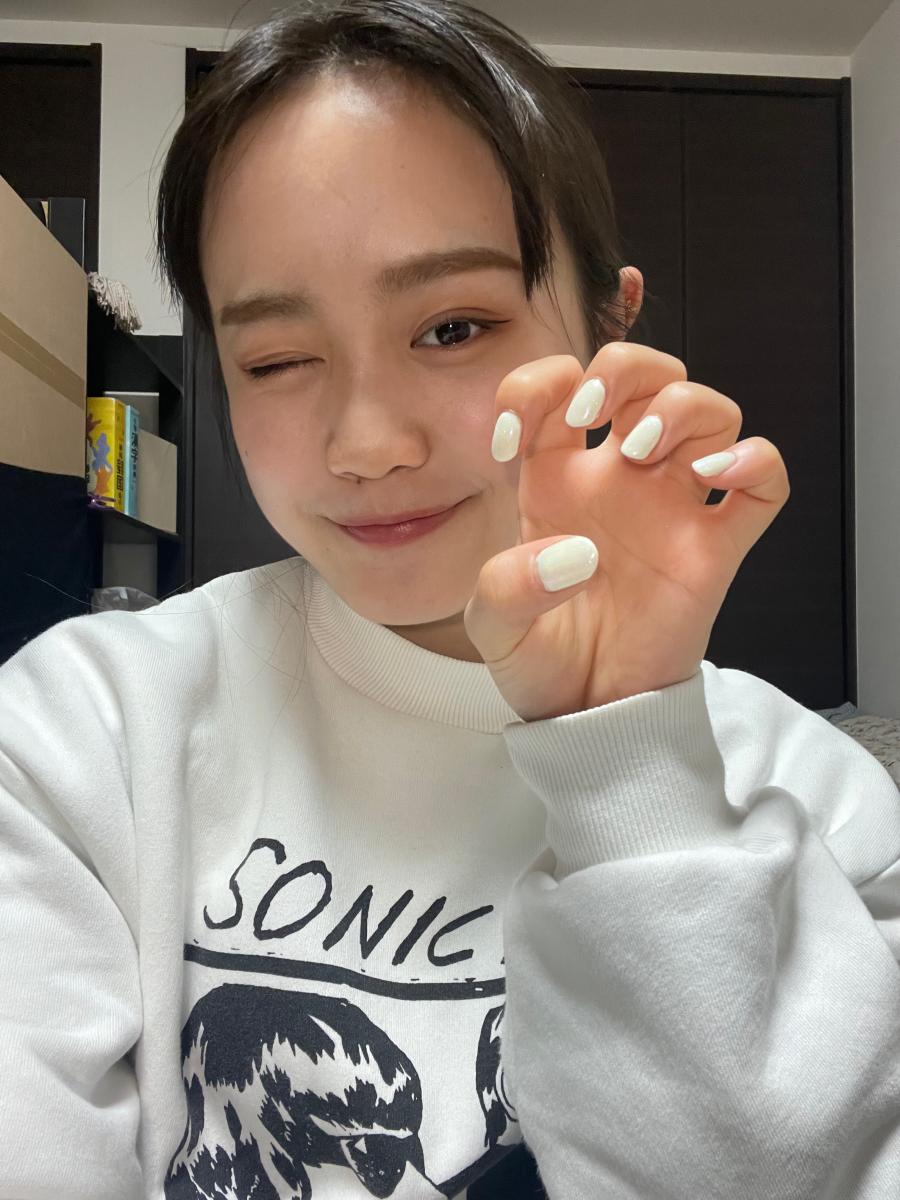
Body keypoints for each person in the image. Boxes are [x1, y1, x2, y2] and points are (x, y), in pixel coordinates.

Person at [1, 1, 898, 1197]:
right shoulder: (81, 736)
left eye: (453, 327)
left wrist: (629, 756)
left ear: (610, 326)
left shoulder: (823, 801)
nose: (366, 442)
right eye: (276, 359)